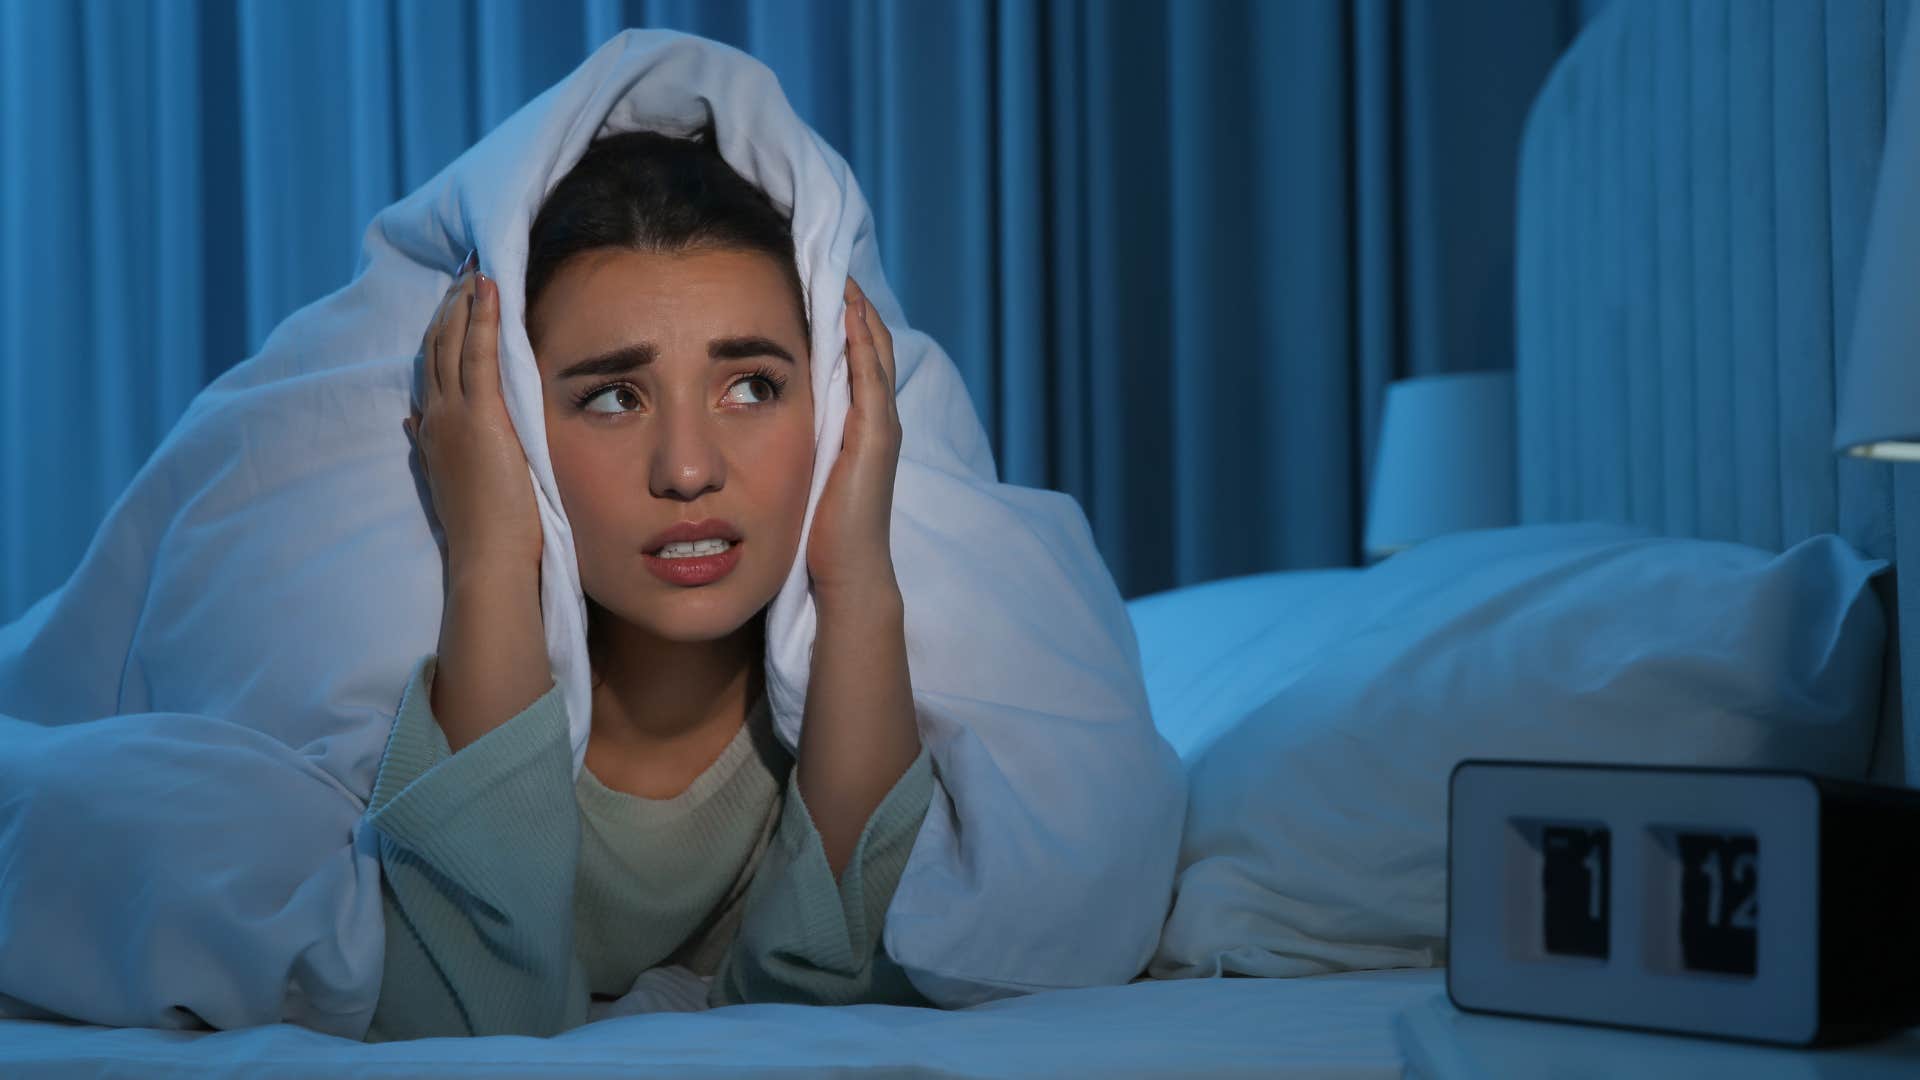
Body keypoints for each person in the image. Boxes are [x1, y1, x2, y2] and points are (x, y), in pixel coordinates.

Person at [364, 124, 935, 1041]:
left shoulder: (838, 721)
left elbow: (848, 1013)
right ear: (514, 421)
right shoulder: (431, 698)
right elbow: (463, 1032)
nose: (686, 470)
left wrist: (860, 574)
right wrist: (490, 555)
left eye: (751, 387)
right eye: (612, 397)